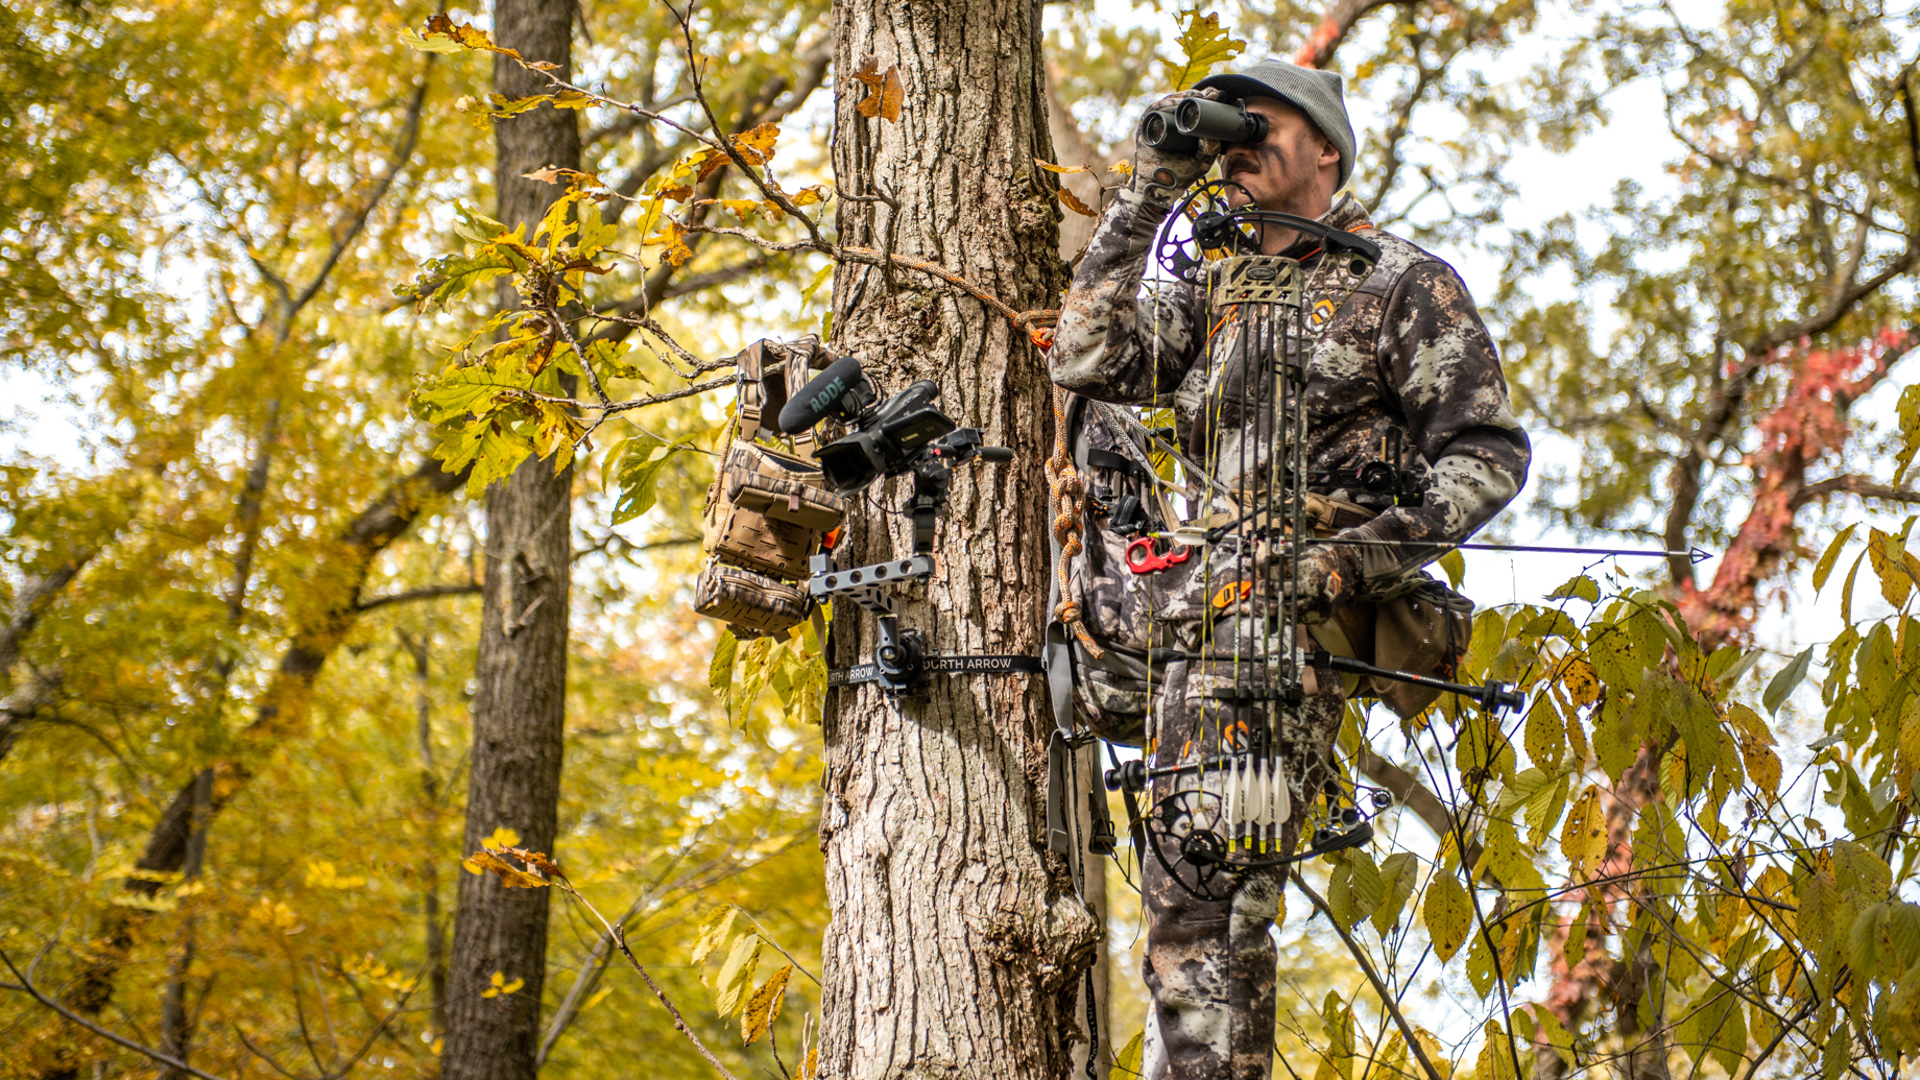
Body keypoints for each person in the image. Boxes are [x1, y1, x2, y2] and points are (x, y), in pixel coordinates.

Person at [1048, 58, 1532, 1080]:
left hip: (1291, 645)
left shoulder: (1399, 279)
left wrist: (1350, 562)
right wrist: (1148, 189)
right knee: (1181, 915)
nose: (1240, 142)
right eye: (1231, 129)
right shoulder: (1208, 290)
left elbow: (1488, 455)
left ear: (1326, 148)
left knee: (1216, 916)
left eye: (1262, 124)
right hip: (1190, 633)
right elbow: (1085, 357)